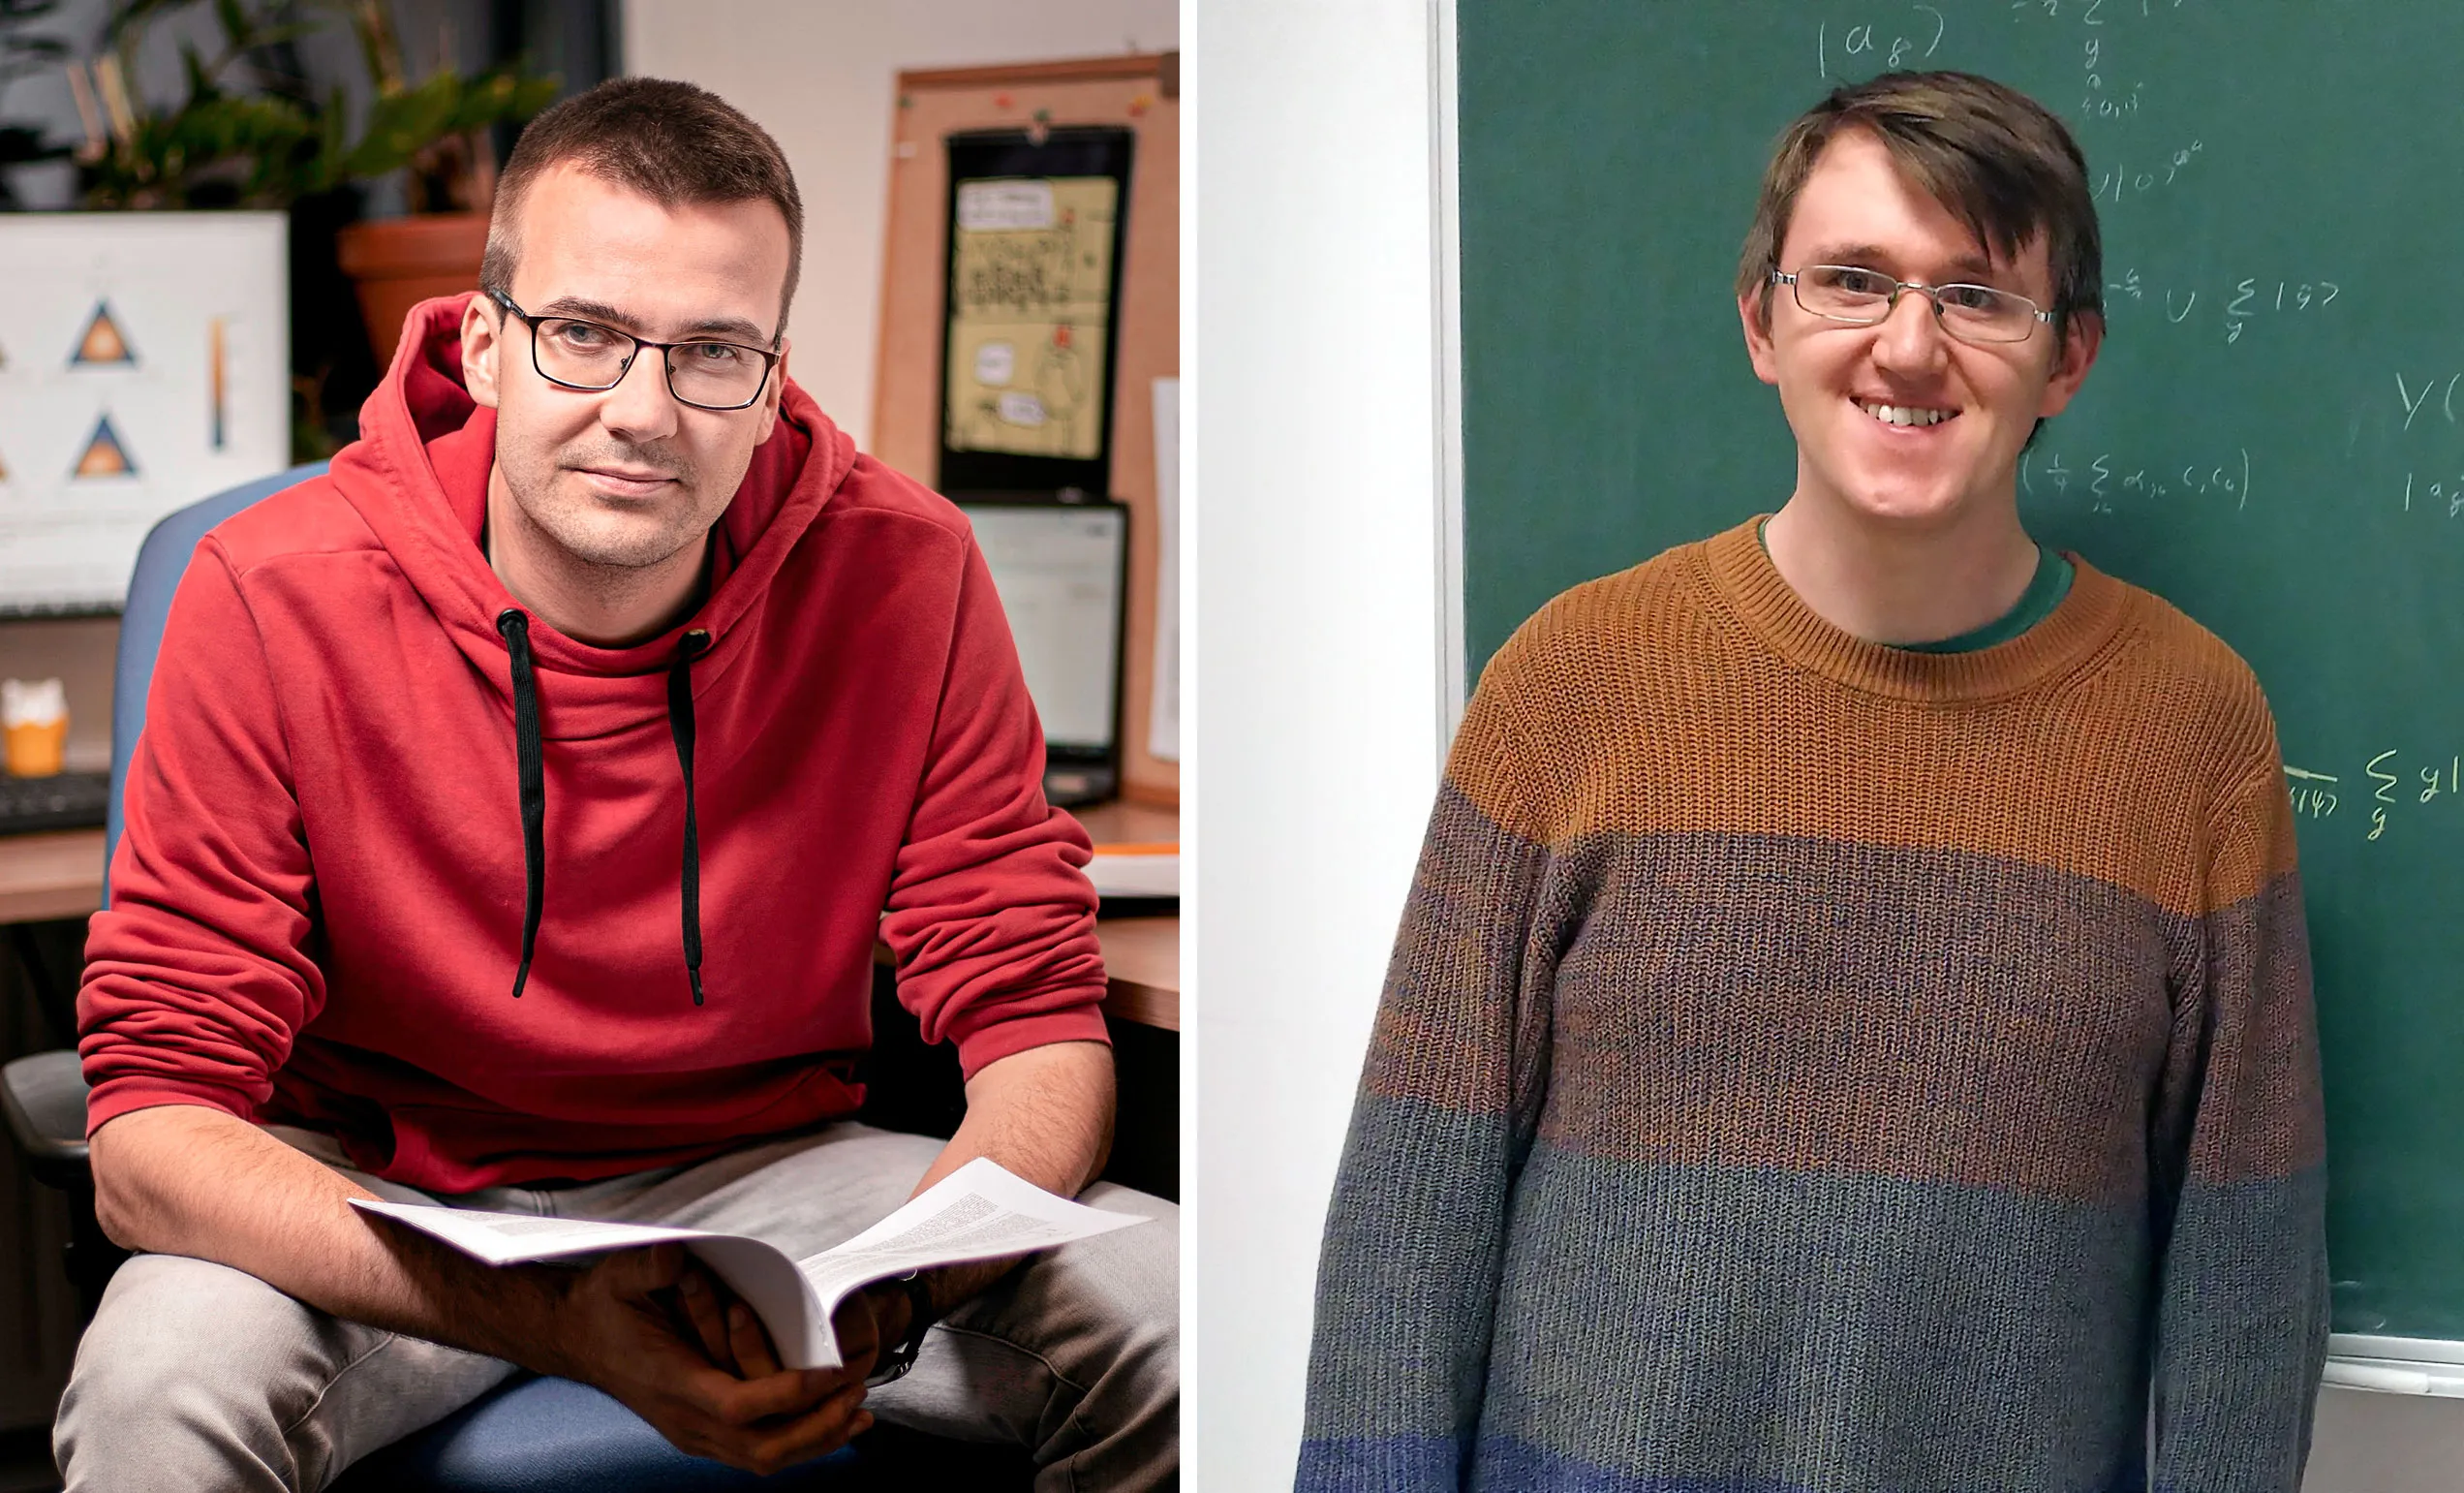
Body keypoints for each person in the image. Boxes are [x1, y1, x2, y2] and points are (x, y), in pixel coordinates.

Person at [58, 77, 1175, 1492]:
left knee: (1188, 1315)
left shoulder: (908, 570)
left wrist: (911, 1279)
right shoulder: (272, 590)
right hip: (382, 1193)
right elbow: (149, 1140)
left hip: (768, 1186)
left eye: (713, 351)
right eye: (583, 335)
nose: (642, 412)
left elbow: (1038, 1025)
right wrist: (549, 1317)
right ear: (484, 344)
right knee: (160, 1387)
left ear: (771, 380)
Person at [1297, 69, 2325, 1491]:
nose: (1909, 346)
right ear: (1761, 324)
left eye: (1978, 296)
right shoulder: (1573, 681)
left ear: (2068, 357)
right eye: (1852, 280)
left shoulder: (2191, 727)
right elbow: (1415, 1212)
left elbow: (2246, 1276)